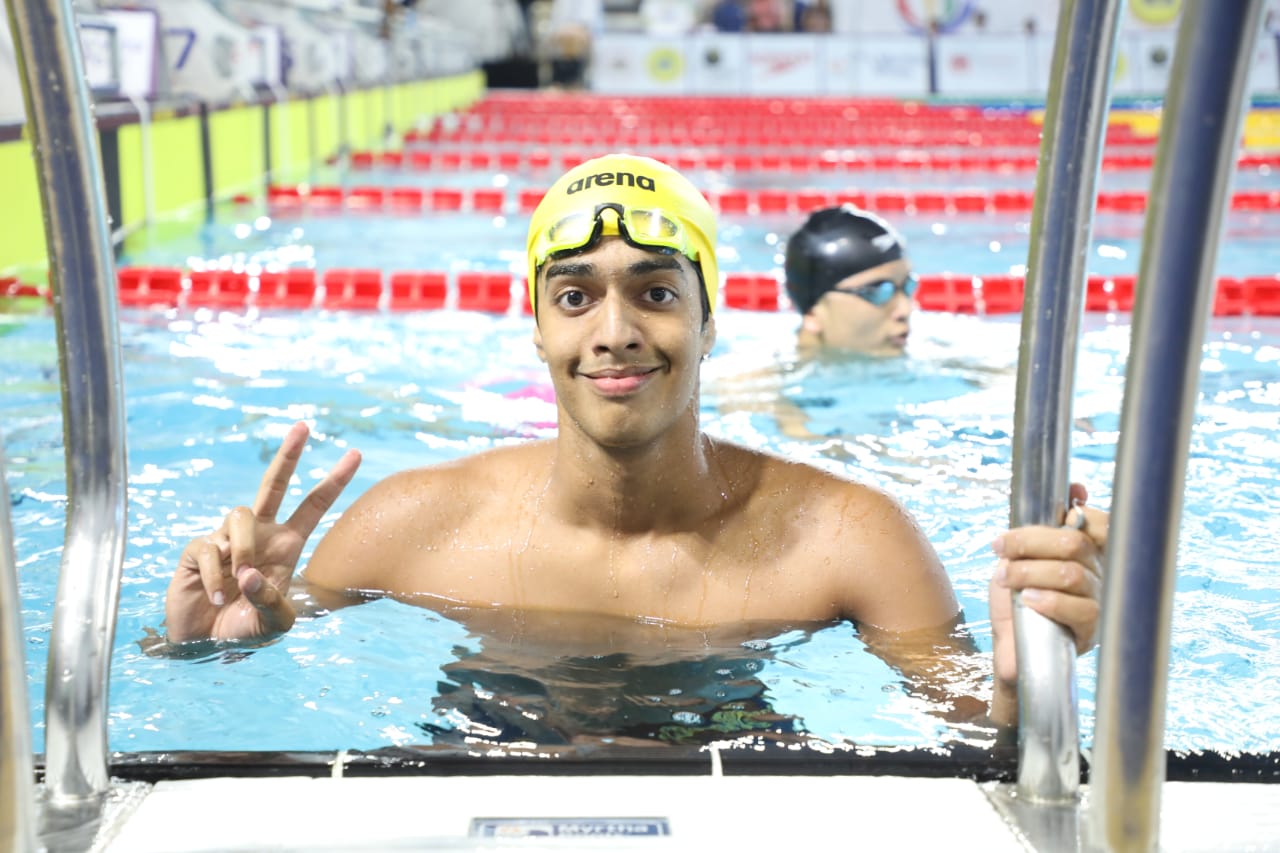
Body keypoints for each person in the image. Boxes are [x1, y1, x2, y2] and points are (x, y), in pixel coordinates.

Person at [164, 154, 1104, 729]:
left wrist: (1029, 690)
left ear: (709, 320)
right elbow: (219, 695)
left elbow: (982, 740)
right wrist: (207, 649)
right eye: (575, 296)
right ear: (537, 327)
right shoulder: (408, 526)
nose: (613, 330)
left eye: (656, 291)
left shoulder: (850, 538)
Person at [784, 205, 918, 358]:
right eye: (878, 292)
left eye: (908, 286)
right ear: (812, 313)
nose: (905, 310)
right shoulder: (767, 381)